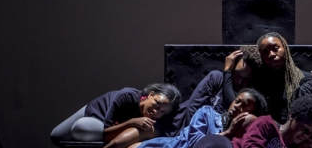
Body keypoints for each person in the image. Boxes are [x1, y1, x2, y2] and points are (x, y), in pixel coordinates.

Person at [105, 46, 263, 148]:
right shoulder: (216, 77)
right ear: (233, 67)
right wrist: (226, 72)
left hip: (198, 136)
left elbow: (231, 105)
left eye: (246, 79)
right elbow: (193, 107)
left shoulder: (246, 97)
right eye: (237, 75)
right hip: (175, 124)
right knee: (122, 143)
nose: (241, 81)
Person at [50, 83, 182, 146]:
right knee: (56, 136)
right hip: (96, 111)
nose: (156, 112)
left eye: (162, 112)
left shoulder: (154, 120)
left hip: (102, 125)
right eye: (157, 105)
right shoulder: (127, 95)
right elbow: (107, 134)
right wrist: (131, 123)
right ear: (150, 95)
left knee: (81, 129)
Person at [134, 88, 268, 148]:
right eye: (237, 101)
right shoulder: (207, 113)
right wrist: (226, 133)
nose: (237, 106)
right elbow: (195, 141)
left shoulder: (245, 137)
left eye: (245, 106)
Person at [195, 95, 312, 148]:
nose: (306, 135)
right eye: (305, 129)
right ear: (293, 117)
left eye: (310, 133)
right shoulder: (266, 124)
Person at [252, 32, 312, 124]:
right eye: (265, 51)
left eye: (276, 48)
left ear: (285, 48)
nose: (271, 54)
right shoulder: (257, 82)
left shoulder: (305, 79)